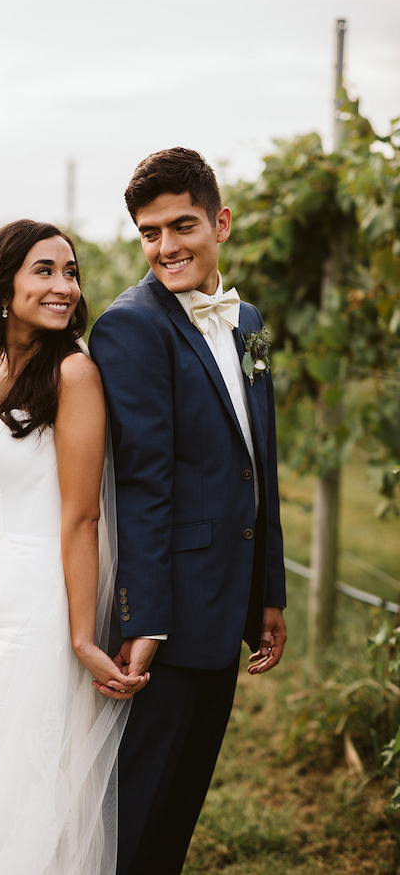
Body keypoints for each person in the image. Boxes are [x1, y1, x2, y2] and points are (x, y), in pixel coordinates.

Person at [0, 219, 146, 873]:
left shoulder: (74, 374)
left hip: (34, 606)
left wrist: (79, 636)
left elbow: (80, 518)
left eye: (70, 272)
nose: (64, 286)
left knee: (15, 792)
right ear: (3, 281)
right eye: (45, 270)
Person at [88, 147, 288, 875]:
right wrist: (145, 620)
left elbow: (261, 457)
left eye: (182, 225)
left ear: (221, 222)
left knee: (181, 808)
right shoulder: (128, 328)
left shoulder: (252, 323)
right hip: (168, 615)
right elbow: (143, 484)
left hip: (230, 598)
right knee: (136, 814)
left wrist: (270, 589)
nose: (166, 246)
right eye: (149, 232)